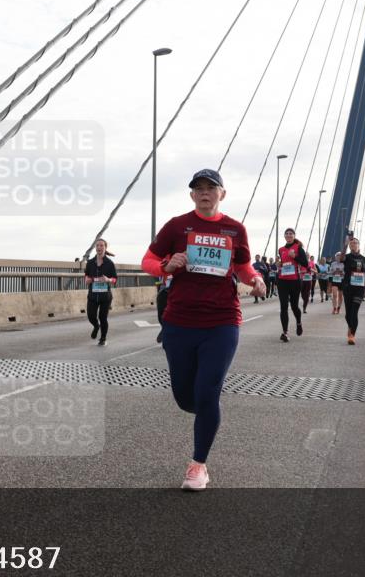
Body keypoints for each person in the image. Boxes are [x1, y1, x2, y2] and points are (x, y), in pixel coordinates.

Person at [141, 169, 266, 491]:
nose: (205, 192)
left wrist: (256, 280)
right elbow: (149, 260)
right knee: (186, 397)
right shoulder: (176, 226)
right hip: (180, 321)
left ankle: (198, 465)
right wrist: (166, 266)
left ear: (222, 194)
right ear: (192, 195)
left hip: (221, 321)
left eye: (211, 187)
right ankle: (205, 410)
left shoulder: (235, 229)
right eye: (198, 188)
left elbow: (242, 266)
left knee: (207, 393)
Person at [275, 228, 308, 342]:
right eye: (287, 234)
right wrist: (279, 264)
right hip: (282, 280)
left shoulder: (298, 248)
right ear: (284, 236)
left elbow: (305, 263)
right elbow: (282, 263)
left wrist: (295, 257)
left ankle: (298, 323)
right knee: (283, 306)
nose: (288, 235)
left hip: (295, 281)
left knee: (294, 306)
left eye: (291, 234)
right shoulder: (281, 249)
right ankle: (285, 332)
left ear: (294, 236)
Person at [85, 238, 117, 346]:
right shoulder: (90, 263)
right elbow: (87, 276)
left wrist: (108, 280)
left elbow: (115, 279)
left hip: (105, 296)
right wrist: (87, 279)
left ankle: (103, 338)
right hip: (93, 295)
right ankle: (96, 326)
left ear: (105, 248)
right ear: (95, 248)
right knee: (91, 316)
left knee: (103, 317)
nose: (99, 247)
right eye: (97, 246)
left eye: (101, 245)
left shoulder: (110, 263)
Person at [342, 237, 365, 345]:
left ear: (359, 245)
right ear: (349, 245)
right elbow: (340, 259)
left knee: (354, 312)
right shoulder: (347, 257)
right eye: (352, 243)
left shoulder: (364, 259)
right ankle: (350, 326)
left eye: (355, 243)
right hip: (348, 287)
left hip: (359, 288)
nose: (354, 244)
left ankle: (352, 335)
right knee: (348, 314)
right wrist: (344, 245)